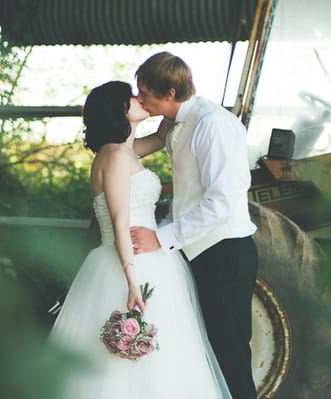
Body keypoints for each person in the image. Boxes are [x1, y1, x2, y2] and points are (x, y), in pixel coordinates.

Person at [49, 81, 233, 399]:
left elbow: (162, 137)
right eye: (132, 97)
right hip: (129, 261)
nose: (139, 99)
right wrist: (132, 282)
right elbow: (121, 223)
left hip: (153, 259)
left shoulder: (123, 151)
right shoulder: (116, 156)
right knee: (125, 364)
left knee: (161, 357)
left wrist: (175, 101)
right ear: (119, 109)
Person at [130, 52, 259, 399]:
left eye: (145, 93)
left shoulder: (212, 124)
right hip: (199, 251)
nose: (139, 99)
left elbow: (222, 202)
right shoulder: (176, 125)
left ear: (170, 93)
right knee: (206, 354)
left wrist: (162, 238)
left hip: (226, 254)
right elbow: (190, 194)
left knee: (230, 355)